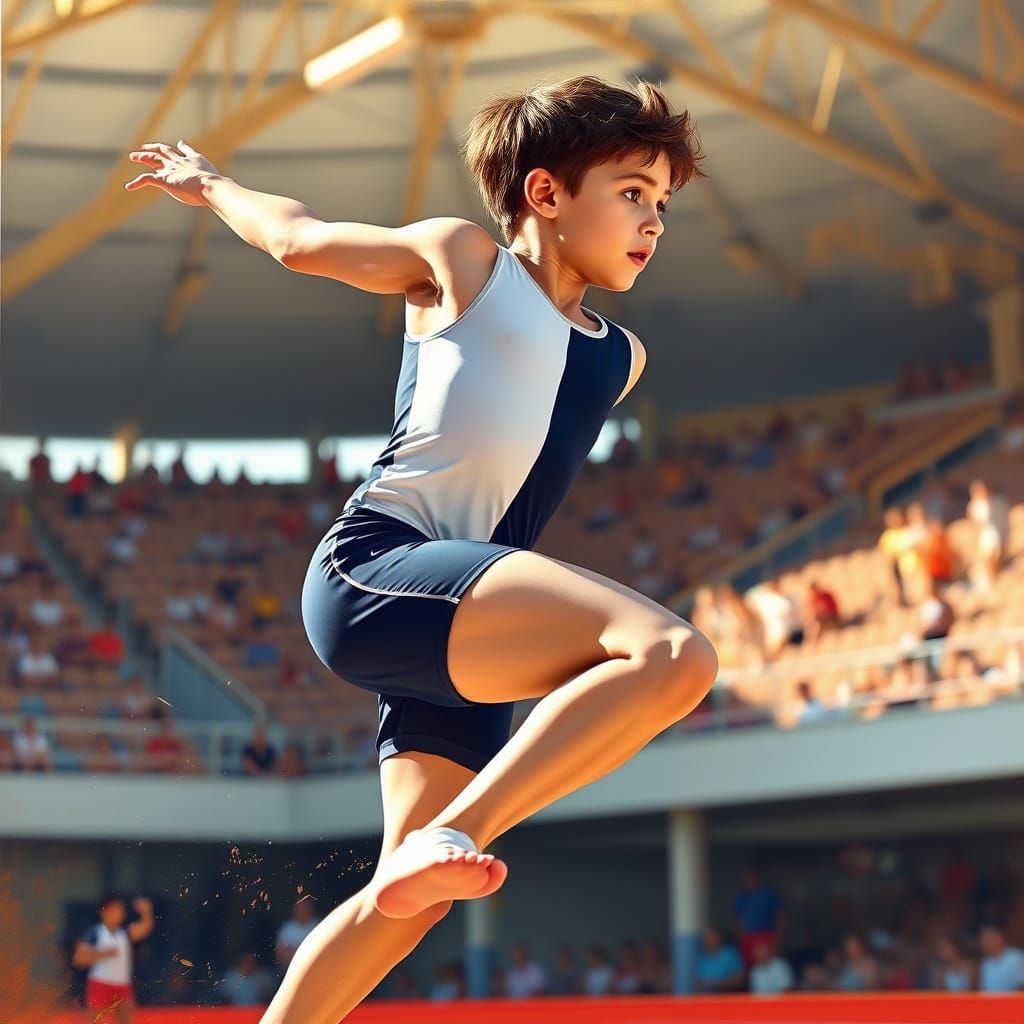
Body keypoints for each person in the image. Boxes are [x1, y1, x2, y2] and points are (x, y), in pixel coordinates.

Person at [125, 75, 716, 1024]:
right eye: (633, 193)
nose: (654, 222)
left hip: (461, 630)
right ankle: (456, 832)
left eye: (663, 204)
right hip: (376, 568)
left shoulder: (621, 355)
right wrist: (212, 184)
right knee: (674, 653)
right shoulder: (464, 260)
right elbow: (297, 238)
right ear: (546, 194)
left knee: (407, 903)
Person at [71, 895, 154, 1023]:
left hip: (122, 985)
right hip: (101, 983)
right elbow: (79, 959)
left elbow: (144, 928)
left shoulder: (124, 933)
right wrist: (103, 953)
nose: (120, 913)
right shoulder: (95, 933)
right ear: (104, 911)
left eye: (121, 910)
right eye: (115, 909)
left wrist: (146, 911)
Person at [734, 865, 782, 968]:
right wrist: (739, 939)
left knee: (766, 964)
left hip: (765, 934)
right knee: (748, 965)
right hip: (747, 936)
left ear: (759, 877)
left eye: (754, 877)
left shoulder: (769, 894)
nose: (751, 880)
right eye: (748, 877)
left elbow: (779, 917)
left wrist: (777, 938)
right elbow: (738, 919)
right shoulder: (742, 896)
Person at [694, 926, 745, 993]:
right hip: (708, 998)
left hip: (728, 996)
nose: (709, 941)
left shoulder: (730, 954)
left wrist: (718, 984)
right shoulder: (702, 958)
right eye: (706, 939)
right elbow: (697, 983)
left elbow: (739, 980)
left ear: (719, 938)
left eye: (712, 938)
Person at [275, 899, 321, 973]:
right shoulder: (287, 929)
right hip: (293, 971)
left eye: (306, 906)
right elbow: (280, 954)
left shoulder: (318, 925)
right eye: (302, 906)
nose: (304, 909)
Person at [978, 925, 1024, 992]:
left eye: (988, 938)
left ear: (1000, 937)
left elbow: (1022, 986)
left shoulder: (1016, 958)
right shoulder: (986, 962)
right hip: (990, 1002)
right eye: (983, 939)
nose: (984, 942)